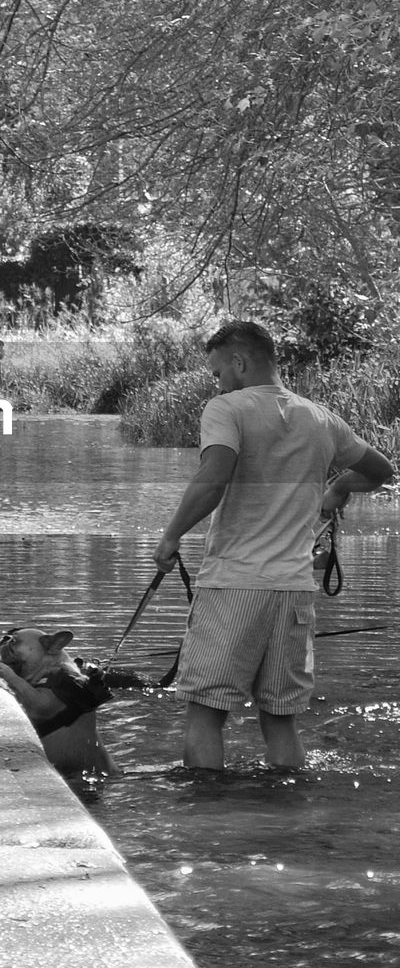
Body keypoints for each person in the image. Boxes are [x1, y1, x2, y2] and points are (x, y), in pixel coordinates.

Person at [153, 320, 393, 770]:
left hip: (234, 584)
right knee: (280, 720)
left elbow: (213, 478)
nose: (217, 381)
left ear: (239, 363)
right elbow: (382, 472)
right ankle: (289, 820)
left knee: (205, 712)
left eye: (218, 371)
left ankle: (203, 823)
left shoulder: (226, 408)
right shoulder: (321, 418)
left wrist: (171, 536)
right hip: (295, 591)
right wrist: (339, 487)